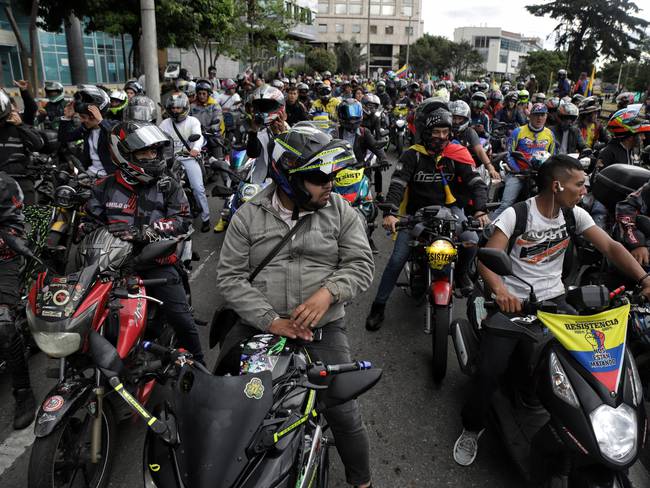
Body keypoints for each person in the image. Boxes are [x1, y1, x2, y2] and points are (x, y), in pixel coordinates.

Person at [453, 154, 650, 466]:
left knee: (587, 365)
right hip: (516, 304)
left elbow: (611, 247)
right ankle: (472, 426)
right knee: (489, 372)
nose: (585, 189)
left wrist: (644, 277)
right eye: (579, 184)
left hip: (557, 302)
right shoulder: (516, 215)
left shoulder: (575, 215)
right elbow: (487, 257)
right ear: (557, 185)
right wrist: (502, 292)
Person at [215, 125, 375, 488]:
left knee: (344, 412)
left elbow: (361, 265)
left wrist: (328, 292)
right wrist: (270, 320)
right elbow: (230, 278)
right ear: (288, 178)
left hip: (322, 328)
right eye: (319, 178)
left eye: (331, 176)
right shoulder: (248, 215)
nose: (329, 185)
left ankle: (362, 482)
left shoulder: (341, 212)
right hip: (259, 327)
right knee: (224, 401)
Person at [84, 121, 204, 363]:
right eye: (143, 152)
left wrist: (145, 232)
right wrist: (90, 230)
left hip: (157, 263)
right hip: (111, 267)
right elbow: (90, 224)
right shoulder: (103, 187)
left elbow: (183, 220)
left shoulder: (167, 183)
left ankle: (201, 366)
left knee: (181, 318)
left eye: (153, 151)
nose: (151, 157)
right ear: (123, 154)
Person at [365, 102, 489, 331]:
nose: (441, 137)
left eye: (445, 132)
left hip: (451, 212)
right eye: (436, 132)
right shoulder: (412, 155)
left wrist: (480, 210)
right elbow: (397, 184)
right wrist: (390, 213)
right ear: (425, 132)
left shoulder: (456, 154)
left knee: (472, 241)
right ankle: (378, 305)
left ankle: (461, 276)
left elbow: (476, 182)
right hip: (416, 215)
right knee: (396, 260)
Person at [0, 172, 35, 429]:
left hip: (3, 260)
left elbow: (15, 228)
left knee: (3, 324)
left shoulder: (5, 184)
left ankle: (23, 393)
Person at [490, 103, 556, 220]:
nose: (539, 118)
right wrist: (518, 170)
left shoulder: (550, 134)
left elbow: (553, 156)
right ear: (530, 116)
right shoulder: (518, 132)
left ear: (546, 117)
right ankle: (487, 227)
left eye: (542, 115)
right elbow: (509, 154)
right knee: (506, 205)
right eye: (536, 115)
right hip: (518, 174)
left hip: (540, 176)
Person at [159, 91, 211, 232]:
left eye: (178, 108)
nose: (175, 110)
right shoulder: (164, 123)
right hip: (170, 160)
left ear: (185, 108)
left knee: (198, 188)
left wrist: (196, 149)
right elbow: (159, 140)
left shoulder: (193, 121)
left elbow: (198, 137)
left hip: (188, 157)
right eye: (173, 108)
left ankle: (206, 218)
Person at [0, 90, 44, 205]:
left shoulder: (20, 126)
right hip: (1, 182)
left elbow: (38, 145)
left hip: (21, 179)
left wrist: (21, 125)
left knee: (33, 218)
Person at [449, 100, 500, 181]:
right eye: (454, 118)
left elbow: (479, 151)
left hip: (466, 168)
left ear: (466, 119)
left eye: (460, 118)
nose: (456, 121)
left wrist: (490, 168)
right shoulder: (446, 131)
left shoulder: (469, 132)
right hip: (447, 168)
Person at [191, 78, 223, 158]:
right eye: (199, 93)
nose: (201, 96)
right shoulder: (192, 106)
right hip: (196, 135)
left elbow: (218, 118)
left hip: (212, 135)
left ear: (208, 94)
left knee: (216, 146)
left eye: (204, 94)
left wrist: (212, 128)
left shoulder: (215, 106)